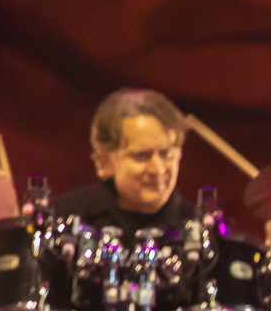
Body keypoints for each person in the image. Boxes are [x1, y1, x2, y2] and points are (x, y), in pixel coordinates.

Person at [49, 88, 196, 232]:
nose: (157, 169)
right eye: (141, 156)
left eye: (166, 154)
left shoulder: (206, 229)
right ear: (106, 160)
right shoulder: (57, 218)